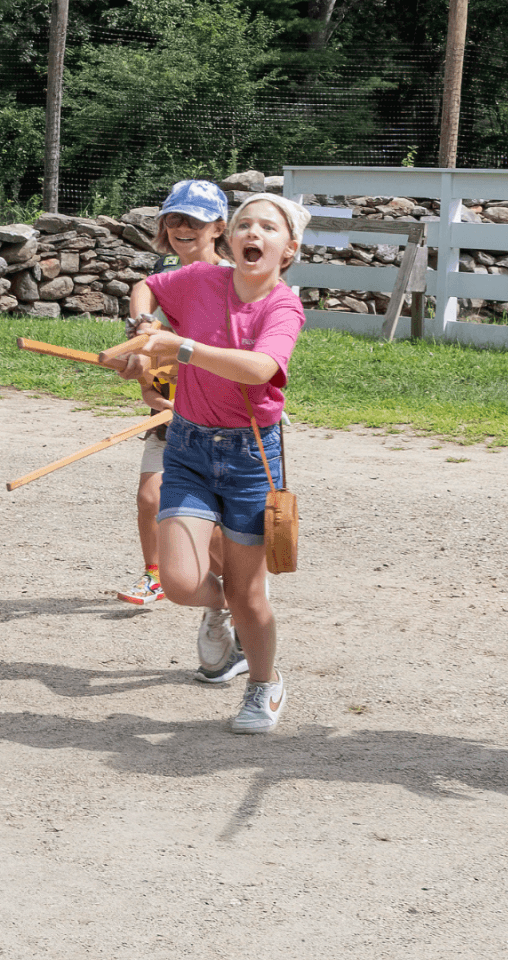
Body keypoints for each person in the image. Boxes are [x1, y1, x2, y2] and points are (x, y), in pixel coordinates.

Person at [125, 193, 310, 733]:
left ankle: (263, 685)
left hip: (253, 456)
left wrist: (178, 346)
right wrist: (143, 328)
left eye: (268, 228)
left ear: (288, 249)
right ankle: (221, 609)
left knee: (249, 593)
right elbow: (149, 287)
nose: (253, 233)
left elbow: (259, 369)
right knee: (182, 583)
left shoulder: (283, 306)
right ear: (229, 239)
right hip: (188, 446)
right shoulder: (202, 280)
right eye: (244, 225)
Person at [116, 180, 247, 684]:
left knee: (215, 533)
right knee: (151, 498)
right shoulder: (162, 275)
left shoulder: (236, 280)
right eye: (174, 219)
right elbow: (144, 297)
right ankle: (160, 578)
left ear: (220, 227)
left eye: (194, 220)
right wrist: (145, 346)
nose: (182, 229)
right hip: (171, 410)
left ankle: (231, 602)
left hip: (220, 416)